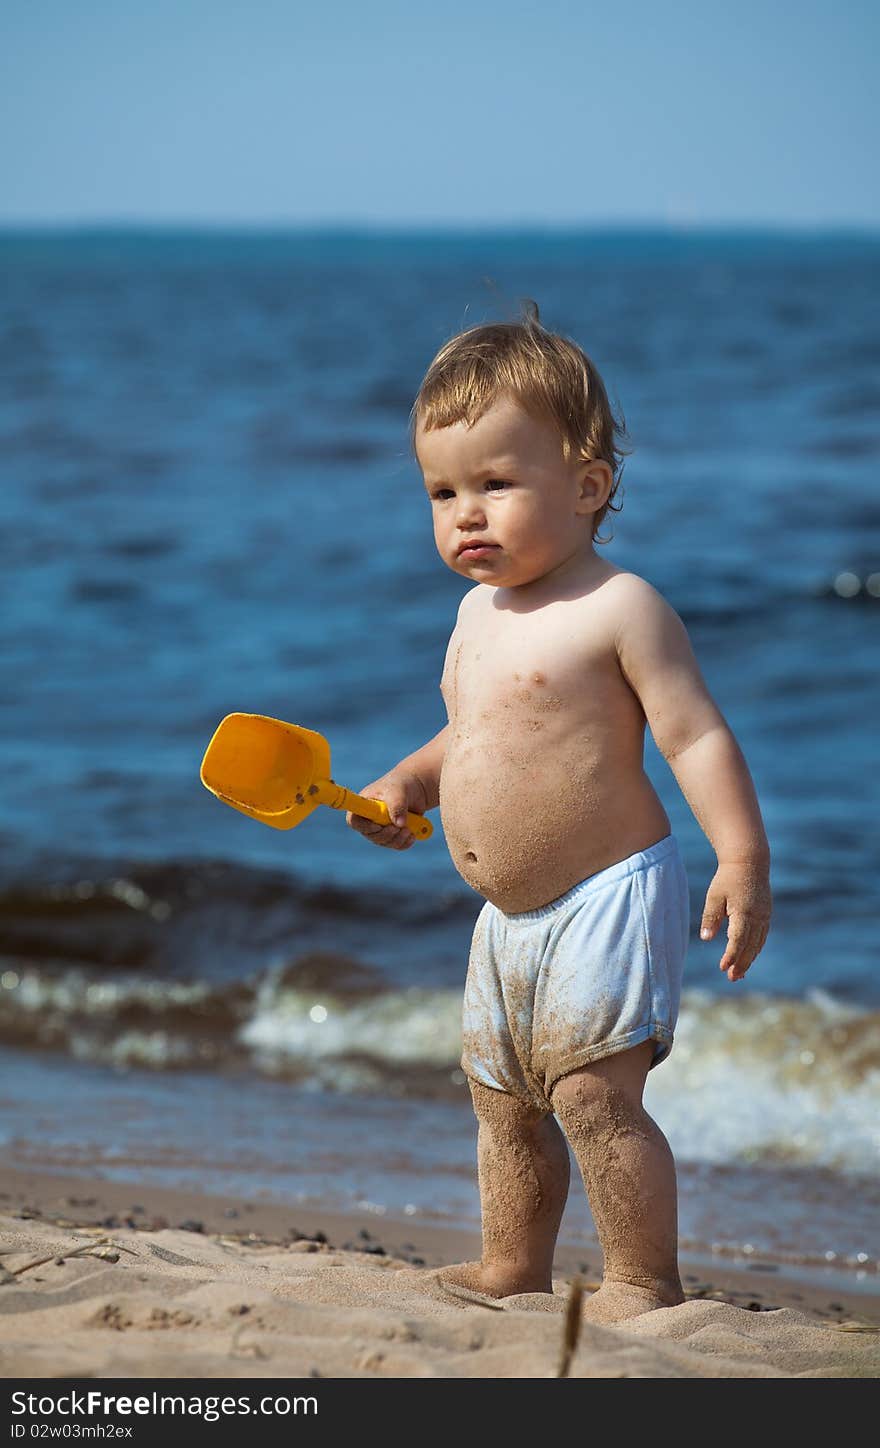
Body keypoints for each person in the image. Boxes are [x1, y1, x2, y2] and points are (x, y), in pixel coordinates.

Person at [346, 304, 772, 1322]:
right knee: (502, 1101)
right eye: (442, 492)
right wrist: (409, 783)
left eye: (496, 483)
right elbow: (473, 738)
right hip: (506, 913)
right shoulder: (472, 614)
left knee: (592, 1094)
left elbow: (693, 736)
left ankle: (639, 1275)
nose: (466, 515)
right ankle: (512, 1265)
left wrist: (740, 853)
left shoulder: (619, 606)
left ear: (588, 484)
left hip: (606, 892)